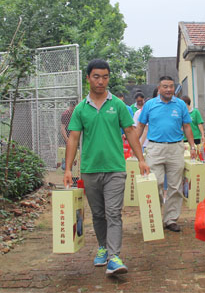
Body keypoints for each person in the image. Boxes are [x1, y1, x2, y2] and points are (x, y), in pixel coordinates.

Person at [64, 59, 150, 276]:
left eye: (105, 77)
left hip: (115, 169)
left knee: (113, 212)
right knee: (98, 213)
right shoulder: (80, 109)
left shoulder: (118, 105)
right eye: (96, 76)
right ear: (88, 78)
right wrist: (67, 170)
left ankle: (114, 257)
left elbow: (130, 132)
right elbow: (73, 139)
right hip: (90, 169)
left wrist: (140, 159)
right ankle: (102, 247)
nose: (101, 81)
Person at [137, 76, 196, 232]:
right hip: (155, 149)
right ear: (159, 87)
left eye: (171, 86)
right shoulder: (149, 105)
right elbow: (141, 126)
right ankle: (154, 217)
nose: (168, 89)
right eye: (165, 86)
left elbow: (187, 127)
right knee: (154, 184)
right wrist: (134, 145)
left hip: (176, 148)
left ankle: (170, 219)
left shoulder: (180, 105)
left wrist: (193, 146)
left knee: (175, 186)